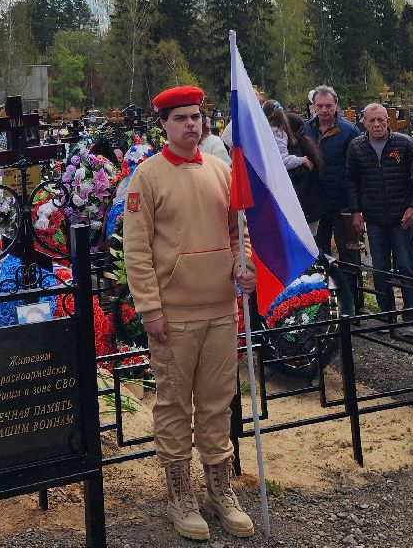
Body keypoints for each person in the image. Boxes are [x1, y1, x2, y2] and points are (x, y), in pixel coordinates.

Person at [123, 85, 254, 542]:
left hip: (220, 309)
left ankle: (221, 490)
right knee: (175, 403)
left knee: (218, 401)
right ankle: (180, 495)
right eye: (180, 118)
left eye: (196, 116)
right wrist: (150, 308)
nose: (191, 125)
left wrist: (242, 264)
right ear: (163, 124)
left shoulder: (221, 171)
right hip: (174, 316)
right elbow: (137, 250)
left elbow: (237, 232)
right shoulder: (147, 177)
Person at [345, 102, 413, 329]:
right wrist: (356, 211)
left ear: (388, 121)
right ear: (364, 123)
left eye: (381, 119)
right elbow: (351, 181)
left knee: (407, 267)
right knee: (379, 268)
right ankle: (387, 315)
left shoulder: (404, 144)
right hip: (374, 218)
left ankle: (412, 318)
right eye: (372, 120)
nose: (377, 124)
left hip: (402, 217)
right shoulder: (356, 147)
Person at [300, 86, 355, 256]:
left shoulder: (349, 131)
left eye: (329, 106)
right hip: (315, 202)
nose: (324, 110)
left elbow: (355, 168)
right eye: (320, 106)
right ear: (313, 106)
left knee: (348, 250)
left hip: (342, 201)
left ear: (336, 105)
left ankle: (347, 275)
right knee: (319, 251)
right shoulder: (305, 130)